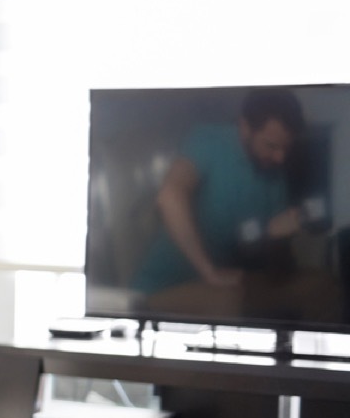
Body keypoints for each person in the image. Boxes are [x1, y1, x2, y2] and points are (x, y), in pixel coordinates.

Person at [130, 88, 340, 323]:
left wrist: (278, 236)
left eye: (285, 149)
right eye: (271, 146)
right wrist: (209, 272)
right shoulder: (209, 140)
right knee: (225, 297)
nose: (280, 157)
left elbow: (269, 263)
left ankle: (298, 357)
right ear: (245, 127)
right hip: (163, 289)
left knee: (321, 286)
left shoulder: (274, 173)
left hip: (232, 281)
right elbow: (169, 196)